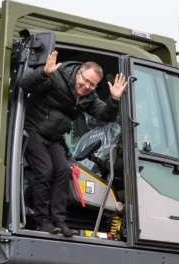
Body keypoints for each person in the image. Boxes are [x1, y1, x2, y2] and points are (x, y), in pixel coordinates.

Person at [19, 50, 127, 237]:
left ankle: (59, 221)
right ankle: (42, 221)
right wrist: (44, 72)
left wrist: (114, 100)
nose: (86, 86)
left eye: (92, 85)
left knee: (63, 171)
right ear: (78, 73)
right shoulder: (57, 76)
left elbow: (105, 115)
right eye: (85, 80)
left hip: (53, 137)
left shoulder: (88, 97)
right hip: (33, 129)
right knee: (45, 171)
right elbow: (25, 84)